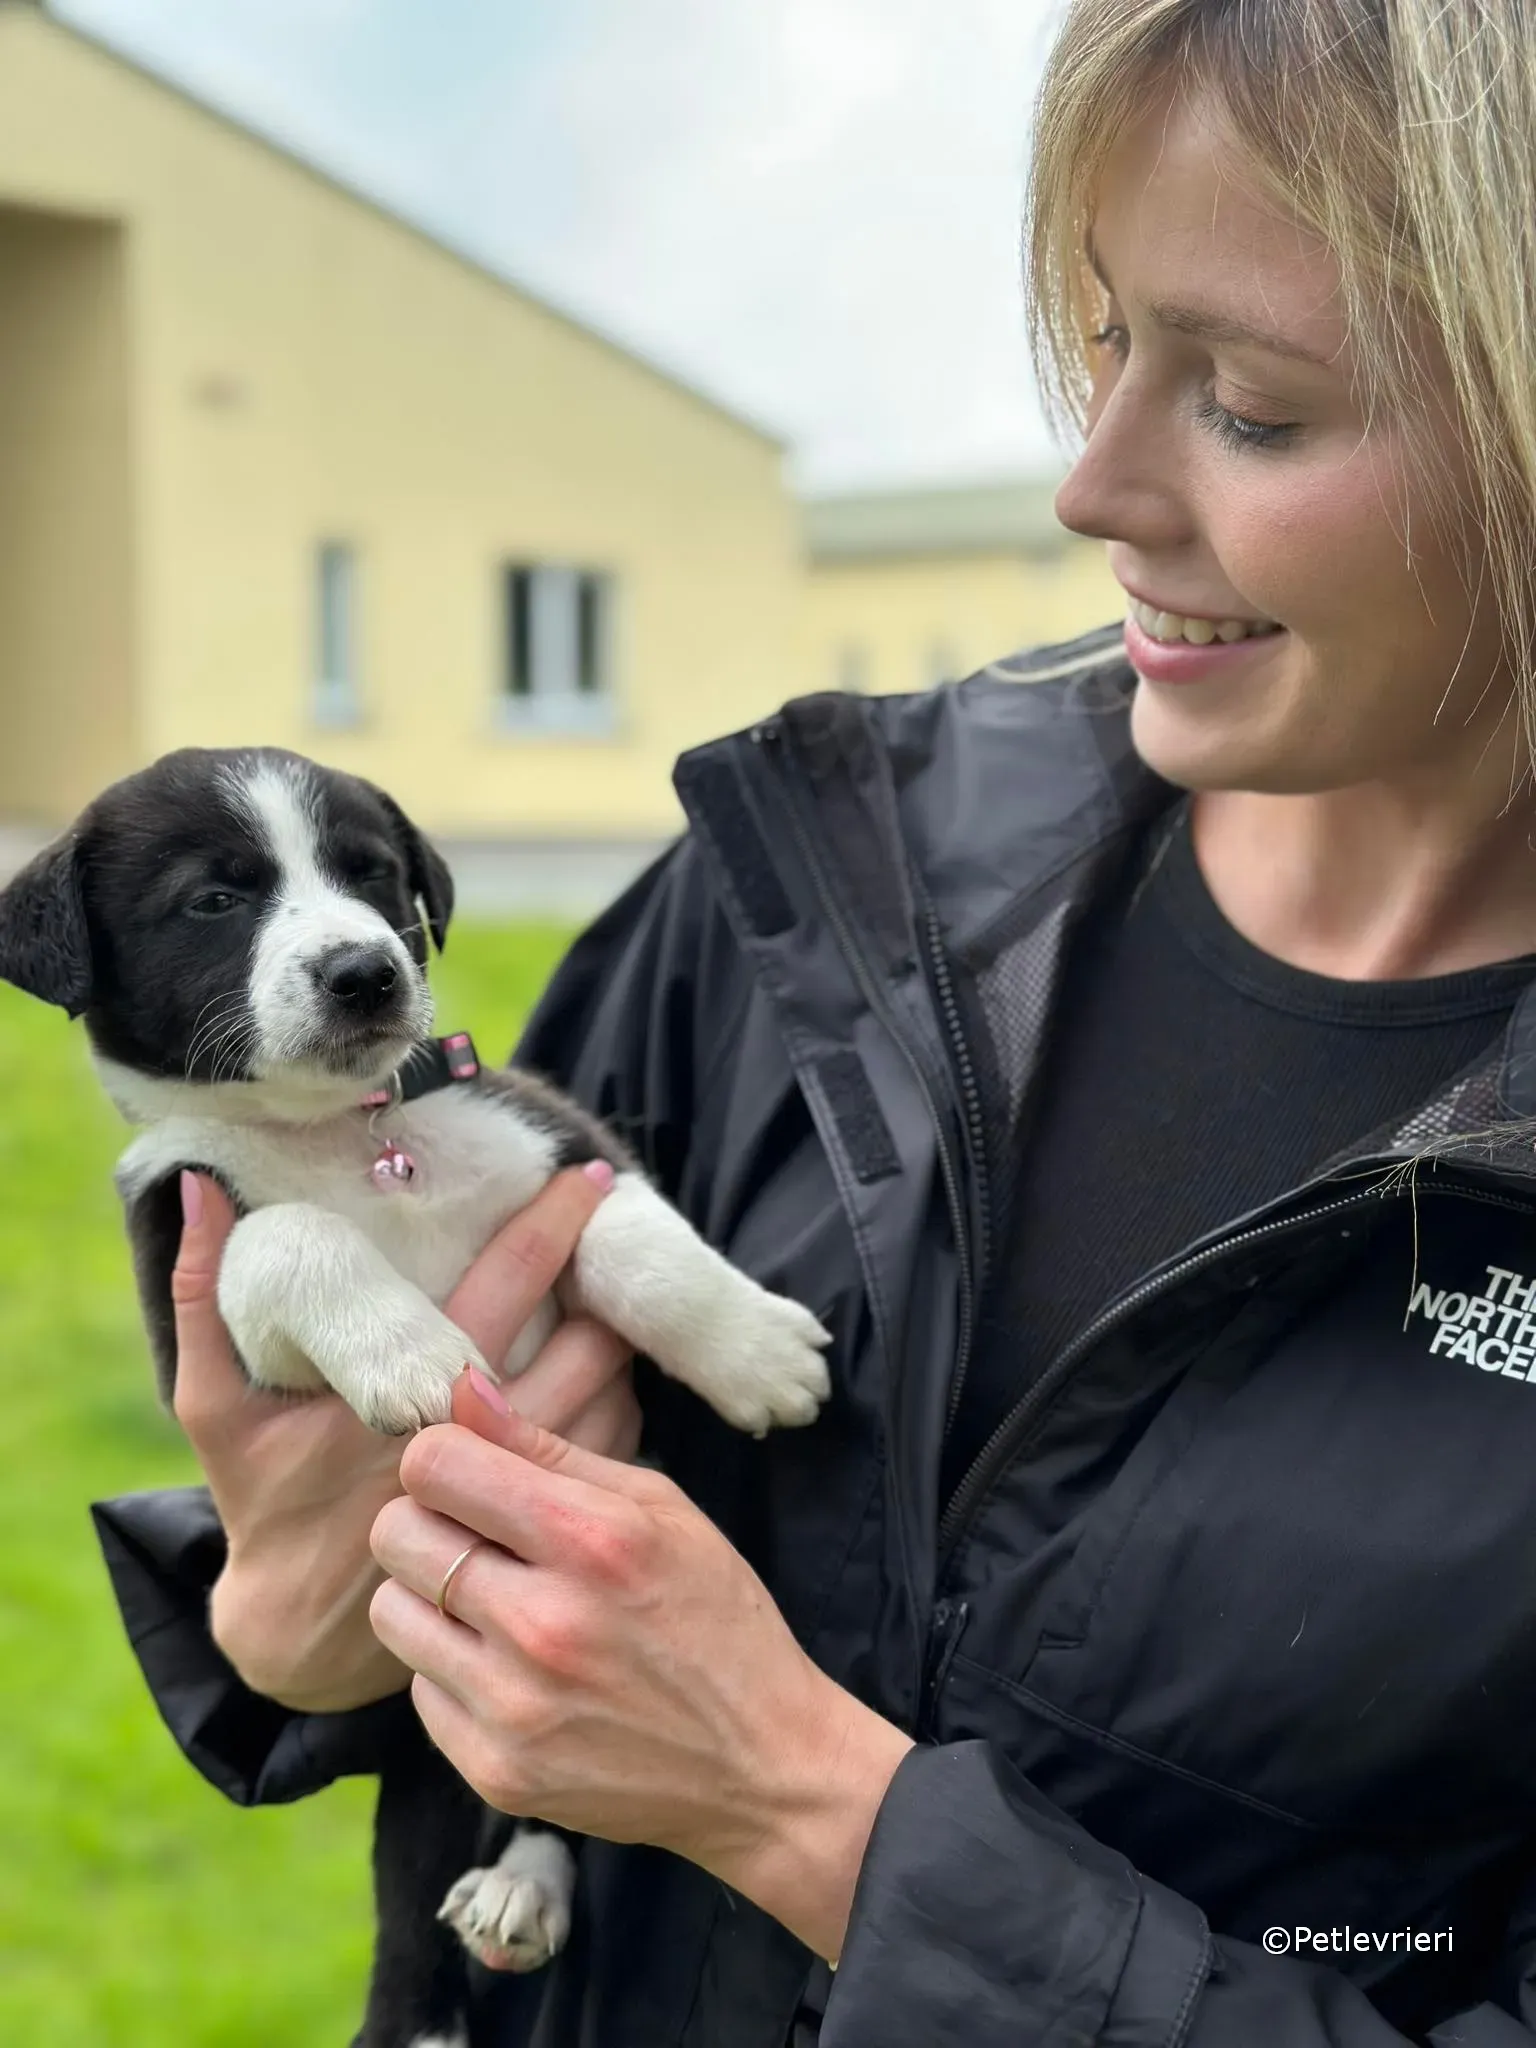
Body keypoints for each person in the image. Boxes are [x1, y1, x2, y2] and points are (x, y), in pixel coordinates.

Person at [92, 0, 1536, 2039]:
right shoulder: (820, 879)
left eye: (1260, 406)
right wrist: (288, 1613)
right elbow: (357, 1544)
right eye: (1110, 338)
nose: (1091, 483)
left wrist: (805, 1806)